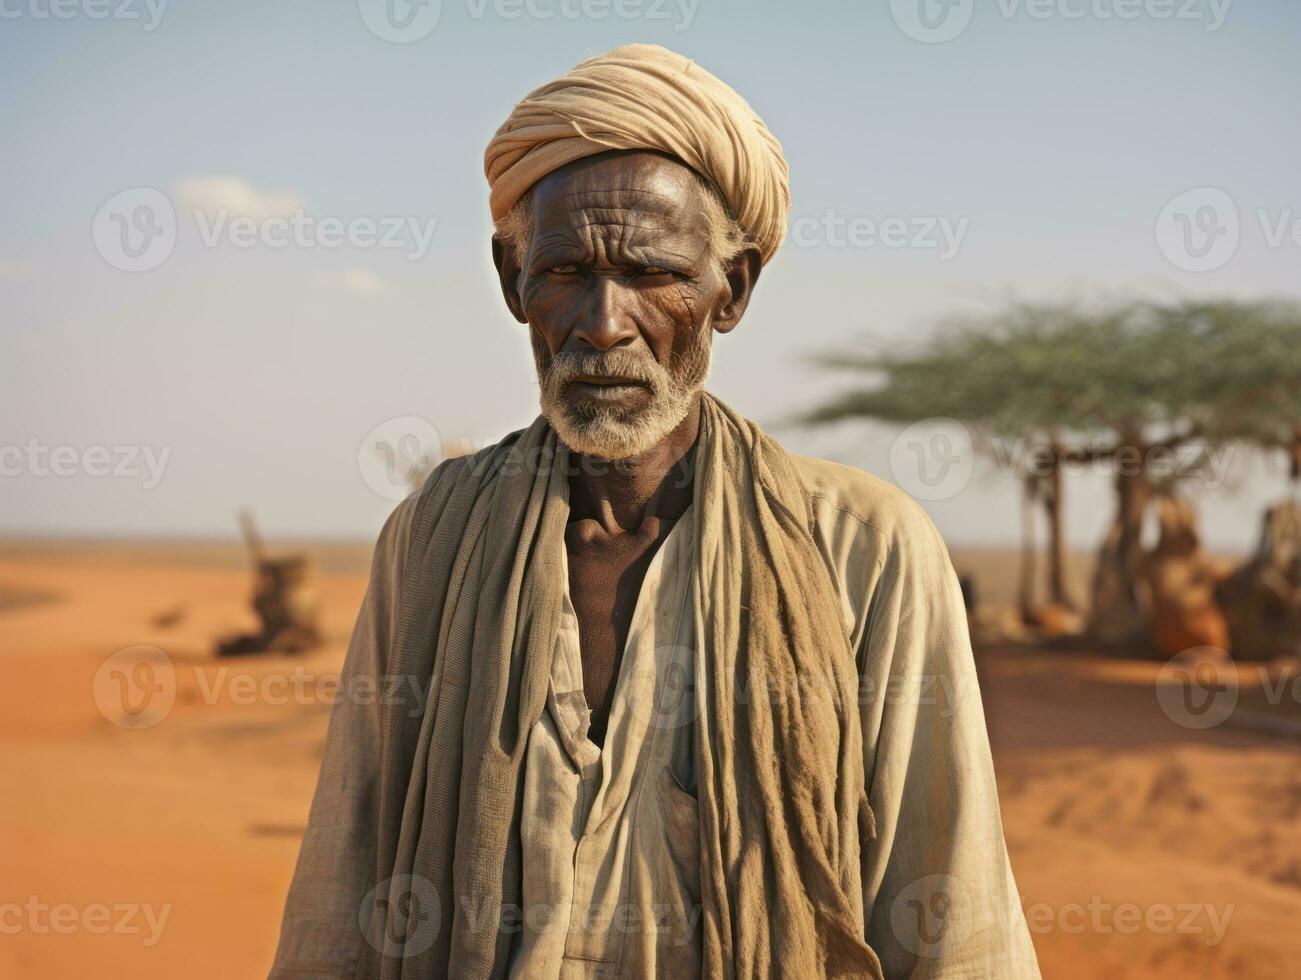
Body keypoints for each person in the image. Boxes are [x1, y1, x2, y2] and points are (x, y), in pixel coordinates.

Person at [270, 43, 1040, 980]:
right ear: (513, 285)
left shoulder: (863, 547)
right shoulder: (432, 539)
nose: (603, 321)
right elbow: (343, 889)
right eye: (563, 273)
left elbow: (952, 910)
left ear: (731, 291)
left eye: (649, 273)